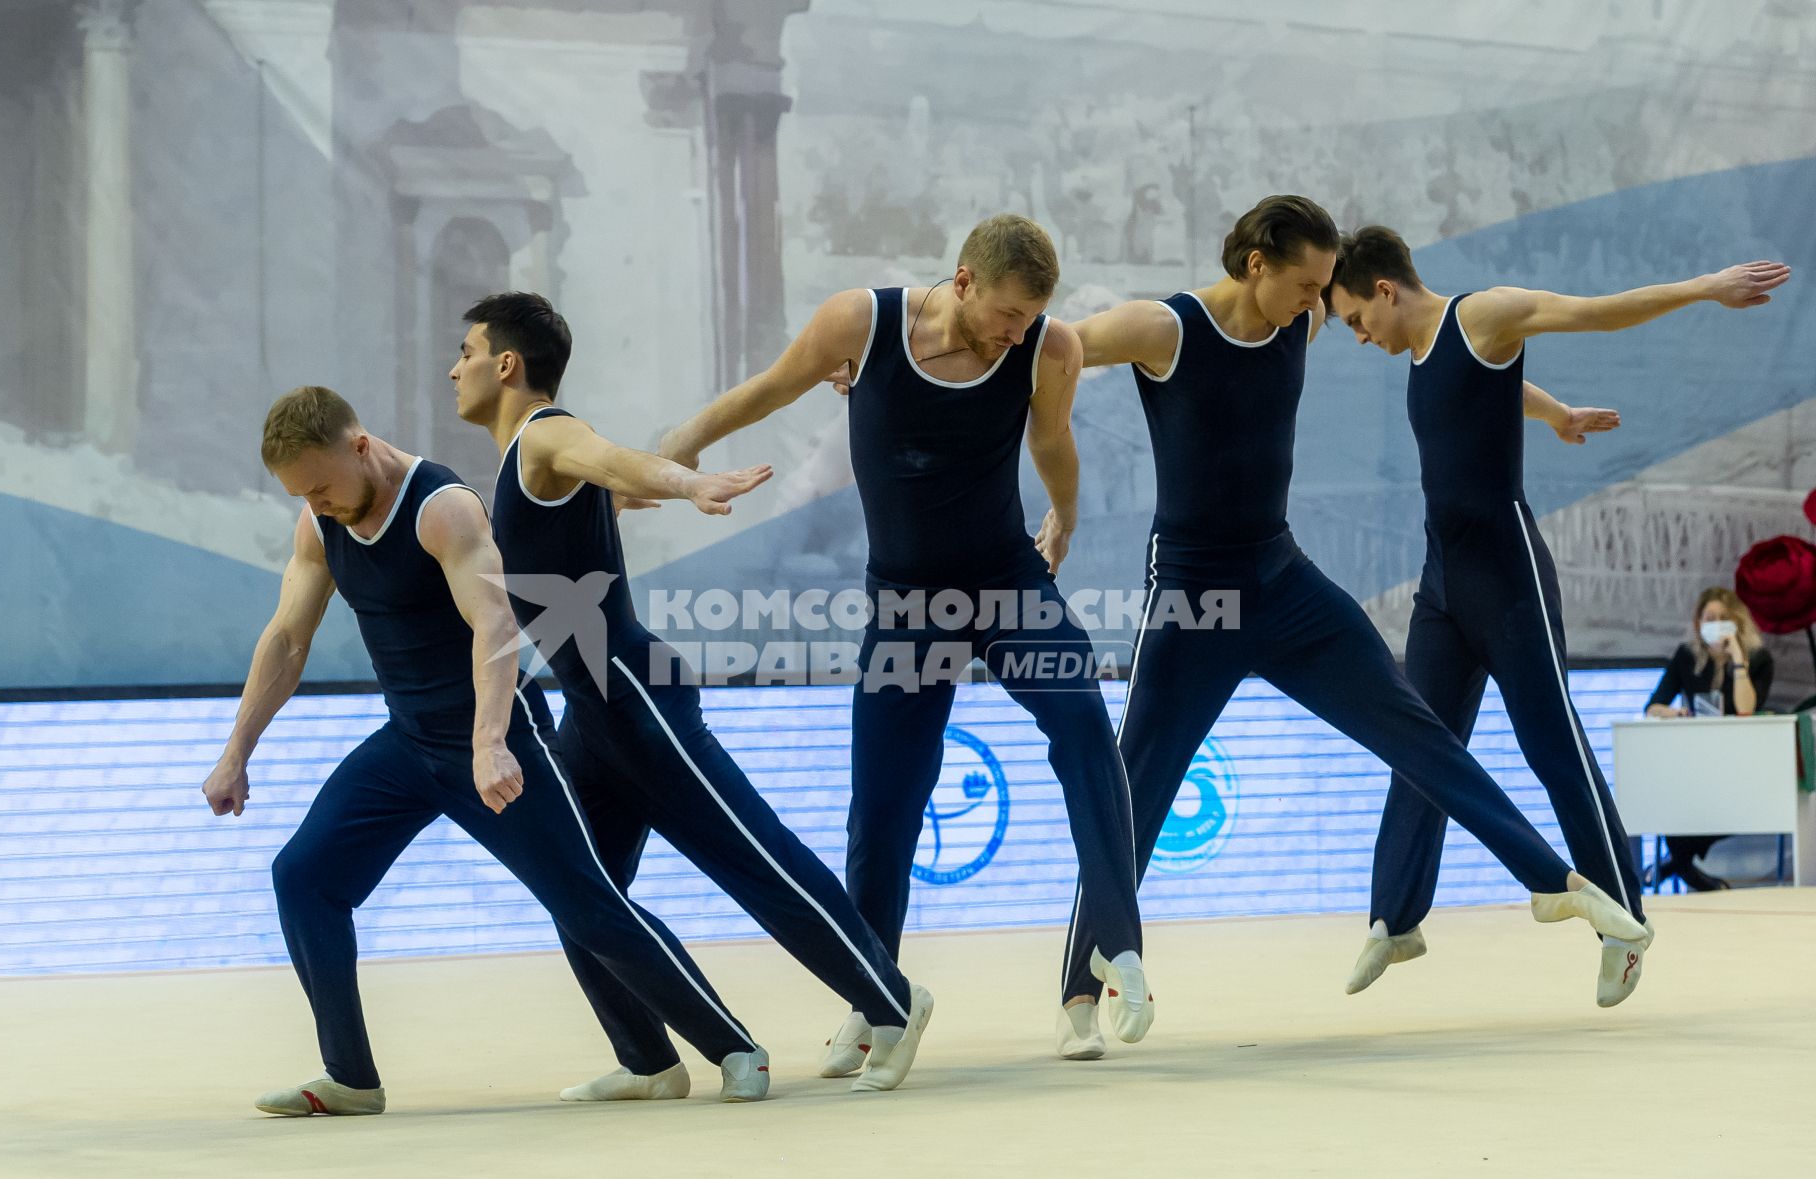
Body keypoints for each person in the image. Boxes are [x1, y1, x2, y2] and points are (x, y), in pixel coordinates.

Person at [1067, 196, 1647, 1053]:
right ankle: (1083, 991)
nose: (1317, 311)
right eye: (1305, 287)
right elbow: (1046, 349)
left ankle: (1551, 881)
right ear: (1256, 262)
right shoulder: (1167, 329)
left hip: (1284, 579)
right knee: (1135, 785)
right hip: (1196, 597)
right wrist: (924, 358)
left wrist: (1551, 411)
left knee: (1416, 731)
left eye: (1324, 292)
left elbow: (1462, 371)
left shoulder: (1299, 324)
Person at [659, 213, 1156, 1066]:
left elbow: (1053, 440)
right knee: (884, 809)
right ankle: (873, 993)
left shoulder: (1047, 349)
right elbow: (772, 389)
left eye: (1030, 318)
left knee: (1082, 720)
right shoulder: (864, 323)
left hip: (1006, 583)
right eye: (1005, 314)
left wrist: (1065, 516)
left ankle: (1117, 939)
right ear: (962, 282)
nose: (1015, 333)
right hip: (907, 604)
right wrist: (676, 457)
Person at [203, 387, 770, 1115]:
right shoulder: (319, 522)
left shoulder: (443, 508)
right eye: (301, 495)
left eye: (320, 486)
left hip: (496, 736)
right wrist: (235, 752)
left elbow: (494, 623)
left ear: (361, 446)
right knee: (304, 877)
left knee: (588, 904)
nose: (316, 504)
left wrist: (490, 742)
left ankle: (731, 1046)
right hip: (408, 742)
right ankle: (350, 1078)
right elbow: (286, 639)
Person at [452, 293, 935, 1097]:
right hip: (591, 713)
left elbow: (616, 459)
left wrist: (686, 483)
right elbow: (605, 489)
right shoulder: (521, 463)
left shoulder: (547, 434)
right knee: (581, 892)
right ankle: (648, 1062)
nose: (454, 367)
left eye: (466, 350)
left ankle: (893, 999)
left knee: (755, 861)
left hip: (638, 697)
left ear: (506, 364)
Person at [1325, 225, 1788, 1003]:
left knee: (1552, 746)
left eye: (1353, 319)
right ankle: (1396, 921)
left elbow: (1598, 312)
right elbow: (1489, 391)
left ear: (1383, 289)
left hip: (1508, 579)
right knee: (1421, 746)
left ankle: (1625, 924)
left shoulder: (1486, 314)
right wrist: (1557, 413)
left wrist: (1704, 286)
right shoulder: (1419, 350)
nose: (1358, 337)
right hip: (1442, 583)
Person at [1644, 587, 1777, 890]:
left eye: (1722, 618)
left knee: (1734, 811)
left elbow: (1746, 709)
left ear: (1736, 621)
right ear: (1698, 622)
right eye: (1709, 618)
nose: (1715, 623)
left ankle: (1670, 866)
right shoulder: (1686, 656)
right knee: (1672, 806)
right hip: (1695, 761)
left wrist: (1738, 659)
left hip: (1741, 763)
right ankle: (1694, 876)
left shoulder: (1759, 659)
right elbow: (1653, 706)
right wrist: (1675, 714)